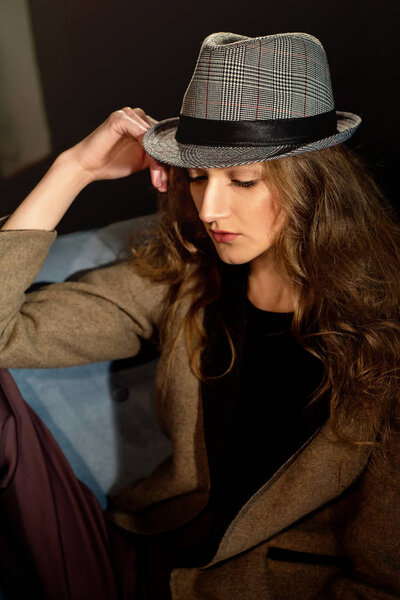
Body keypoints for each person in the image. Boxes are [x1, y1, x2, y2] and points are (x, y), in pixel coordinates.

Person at [0, 29, 400, 599]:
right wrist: (75, 168)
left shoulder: (385, 336)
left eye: (242, 180)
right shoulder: (187, 281)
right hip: (148, 560)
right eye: (196, 177)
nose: (211, 209)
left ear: (316, 184)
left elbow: (383, 580)